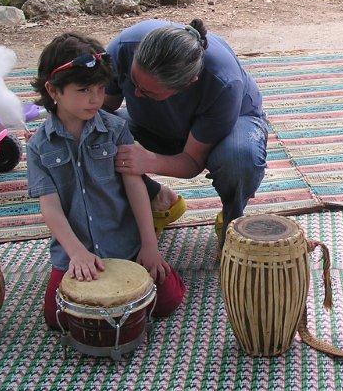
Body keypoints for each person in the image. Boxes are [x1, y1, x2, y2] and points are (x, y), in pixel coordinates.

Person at [26, 33, 185, 329]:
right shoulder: (38, 147)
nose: (96, 98)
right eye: (83, 89)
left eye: (100, 88)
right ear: (53, 90)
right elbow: (51, 208)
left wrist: (149, 245)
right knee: (57, 319)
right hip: (76, 249)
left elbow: (135, 187)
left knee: (168, 300)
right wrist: (77, 253)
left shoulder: (116, 130)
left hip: (124, 243)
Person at [103, 19, 267, 237]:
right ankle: (157, 197)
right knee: (90, 132)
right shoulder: (124, 47)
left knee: (238, 158)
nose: (136, 94)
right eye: (134, 81)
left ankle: (232, 220)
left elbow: (191, 161)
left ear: (189, 83)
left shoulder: (223, 82)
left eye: (149, 92)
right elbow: (101, 107)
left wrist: (148, 160)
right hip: (152, 122)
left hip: (232, 125)